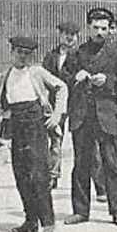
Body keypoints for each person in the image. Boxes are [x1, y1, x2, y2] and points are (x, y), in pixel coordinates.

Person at [0, 35, 68, 232]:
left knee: (39, 173)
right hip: (16, 125)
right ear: (12, 53)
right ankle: (30, 221)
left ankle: (48, 222)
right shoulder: (6, 75)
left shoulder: (37, 72)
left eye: (27, 54)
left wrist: (57, 114)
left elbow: (62, 87)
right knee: (21, 174)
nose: (22, 57)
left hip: (36, 124)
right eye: (19, 52)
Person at [61, 7, 117, 228]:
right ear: (88, 28)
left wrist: (109, 81)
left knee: (112, 165)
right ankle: (80, 211)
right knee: (81, 165)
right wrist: (76, 77)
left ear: (109, 29)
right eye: (95, 28)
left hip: (107, 116)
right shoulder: (77, 53)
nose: (99, 32)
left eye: (104, 28)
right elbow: (62, 78)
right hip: (82, 116)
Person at [45, 20, 80, 188]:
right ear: (60, 35)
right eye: (66, 34)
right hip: (57, 104)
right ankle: (53, 175)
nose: (69, 37)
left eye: (73, 34)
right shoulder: (51, 56)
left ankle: (93, 182)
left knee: (81, 142)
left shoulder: (81, 56)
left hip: (76, 103)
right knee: (55, 139)